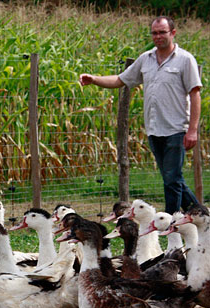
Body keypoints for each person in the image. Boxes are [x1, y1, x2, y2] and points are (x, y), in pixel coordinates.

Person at [79, 16, 202, 215]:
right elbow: (121, 80)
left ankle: (169, 223)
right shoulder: (146, 59)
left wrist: (192, 130)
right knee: (173, 179)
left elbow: (195, 94)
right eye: (154, 33)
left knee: (172, 180)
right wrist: (94, 79)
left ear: (173, 33)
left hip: (176, 129)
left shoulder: (185, 60)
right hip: (154, 129)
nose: (158, 36)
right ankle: (202, 215)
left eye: (162, 32)